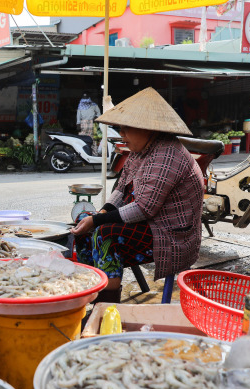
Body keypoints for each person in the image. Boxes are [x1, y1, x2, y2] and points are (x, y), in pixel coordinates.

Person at [71, 87, 204, 302]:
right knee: (83, 225)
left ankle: (107, 303)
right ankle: (92, 289)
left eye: (126, 129)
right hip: (147, 224)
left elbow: (144, 208)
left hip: (171, 235)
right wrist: (101, 212)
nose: (122, 134)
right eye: (121, 128)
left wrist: (98, 220)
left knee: (105, 234)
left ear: (148, 129)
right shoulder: (139, 151)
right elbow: (121, 189)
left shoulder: (167, 155)